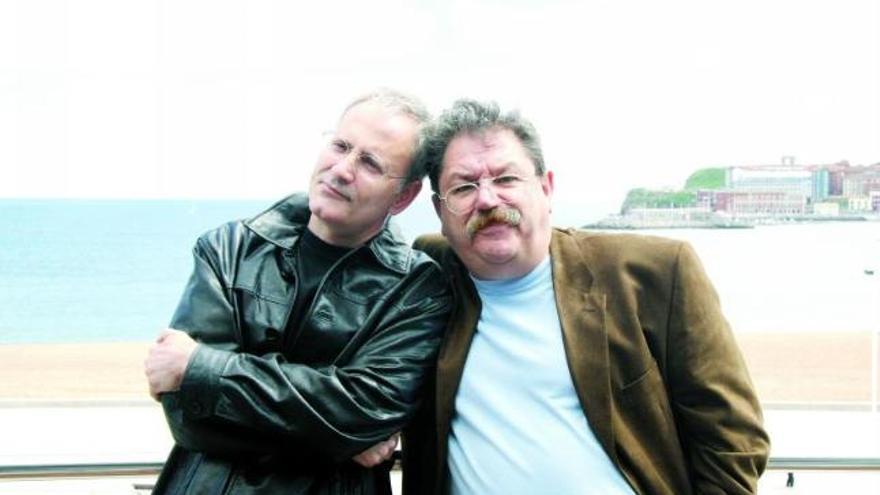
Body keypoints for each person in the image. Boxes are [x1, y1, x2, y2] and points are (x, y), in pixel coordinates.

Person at [402, 99, 770, 494]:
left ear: (546, 188)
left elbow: (732, 438)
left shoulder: (655, 274)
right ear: (440, 210)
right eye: (464, 186)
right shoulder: (428, 274)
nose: (488, 199)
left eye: (506, 179)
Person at [144, 89, 451, 494]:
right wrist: (339, 438)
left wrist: (201, 369)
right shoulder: (228, 248)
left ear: (405, 195)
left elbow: (362, 412)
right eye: (340, 145)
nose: (342, 169)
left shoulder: (417, 289)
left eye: (371, 164)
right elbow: (187, 414)